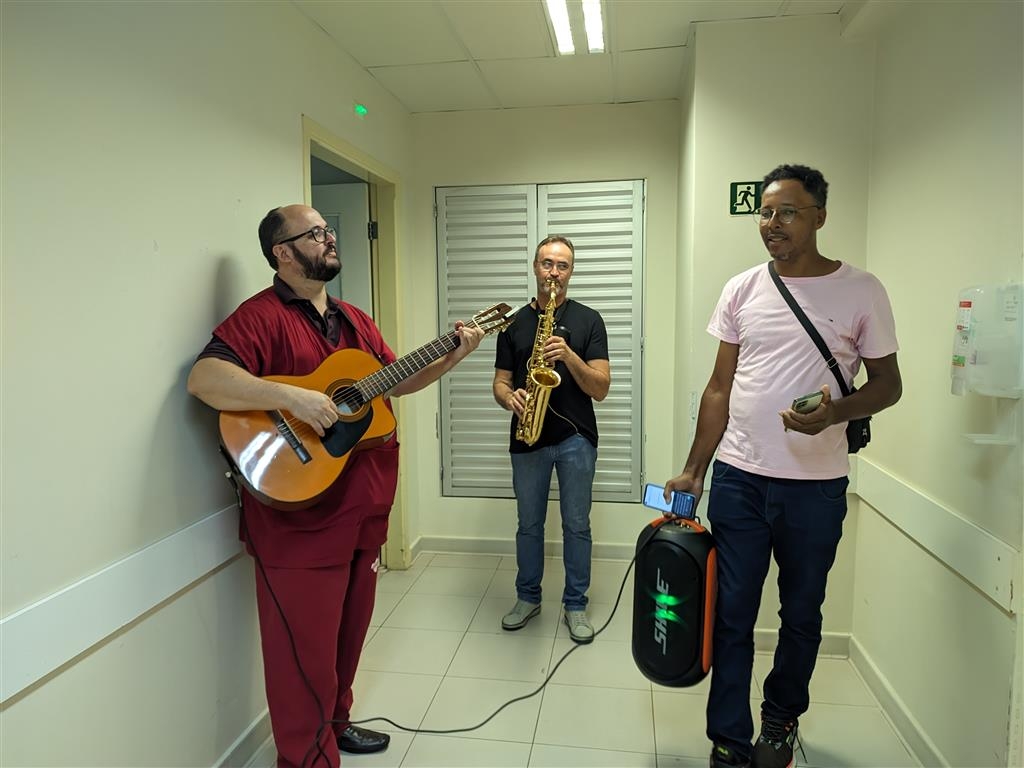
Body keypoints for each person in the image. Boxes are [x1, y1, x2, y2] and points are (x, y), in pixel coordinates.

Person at [187, 204, 484, 768]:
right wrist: (292, 396)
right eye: (315, 233)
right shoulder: (261, 316)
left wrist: (453, 356)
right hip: (298, 523)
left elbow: (395, 379)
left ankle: (337, 725)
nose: (330, 237)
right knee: (303, 655)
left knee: (347, 639)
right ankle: (306, 758)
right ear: (282, 252)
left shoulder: (352, 319)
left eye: (328, 229)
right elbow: (205, 379)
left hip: (362, 511)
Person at [664, 165, 902, 768]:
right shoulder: (741, 288)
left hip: (815, 488)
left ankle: (779, 721)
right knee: (732, 612)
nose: (773, 224)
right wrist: (695, 470)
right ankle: (729, 737)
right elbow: (719, 387)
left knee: (800, 614)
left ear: (820, 216)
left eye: (789, 212)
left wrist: (834, 415)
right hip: (740, 479)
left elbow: (889, 386)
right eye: (766, 213)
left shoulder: (861, 290)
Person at [492, 235, 611, 644]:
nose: (553, 272)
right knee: (529, 525)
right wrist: (510, 397)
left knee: (577, 525)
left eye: (561, 265)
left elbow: (601, 388)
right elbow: (500, 382)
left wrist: (570, 356)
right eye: (547, 264)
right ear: (535, 267)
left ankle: (575, 604)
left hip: (576, 437)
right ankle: (528, 597)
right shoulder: (513, 323)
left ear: (571, 271)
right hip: (528, 435)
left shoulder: (589, 320)